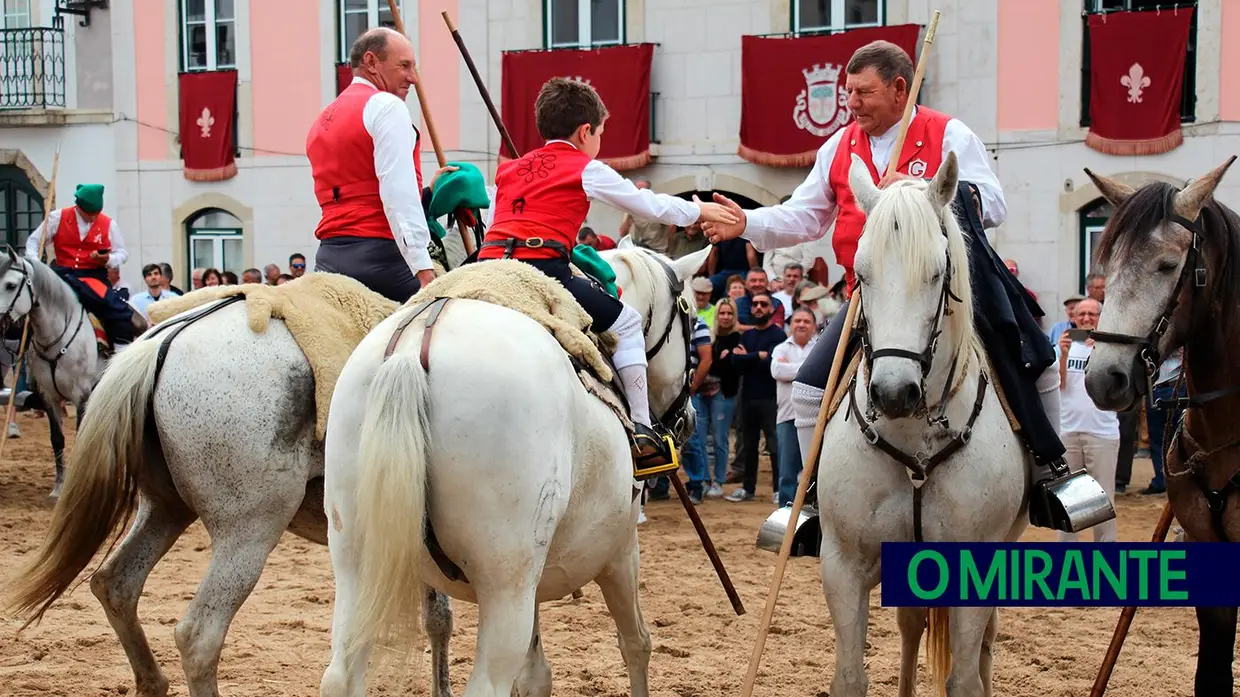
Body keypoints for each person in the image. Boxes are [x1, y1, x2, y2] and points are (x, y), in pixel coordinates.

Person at [701, 40, 1091, 531]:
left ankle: (1050, 474)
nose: (852, 104)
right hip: (875, 293)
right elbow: (805, 216)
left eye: (863, 92)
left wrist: (913, 188)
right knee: (806, 388)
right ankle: (816, 500)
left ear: (899, 88)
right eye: (849, 93)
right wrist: (748, 223)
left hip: (948, 286)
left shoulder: (947, 132)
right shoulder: (838, 147)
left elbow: (993, 202)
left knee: (1036, 358)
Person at [477, 76, 737, 471]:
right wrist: (699, 211)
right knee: (629, 323)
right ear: (585, 132)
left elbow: (497, 221)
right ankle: (642, 429)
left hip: (487, 265)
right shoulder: (585, 168)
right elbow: (647, 205)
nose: (599, 140)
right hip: (540, 268)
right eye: (600, 132)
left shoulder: (509, 169)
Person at [306, 27, 452, 303]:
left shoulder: (322, 119)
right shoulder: (386, 105)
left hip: (329, 258)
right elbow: (396, 193)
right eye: (404, 66)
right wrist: (423, 268)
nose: (413, 78)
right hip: (381, 258)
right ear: (372, 62)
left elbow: (358, 191)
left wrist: (429, 191)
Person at [25, 183, 135, 349]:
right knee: (30, 304)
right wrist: (36, 266)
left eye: (96, 214)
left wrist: (107, 260)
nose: (92, 218)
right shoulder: (57, 217)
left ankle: (121, 354)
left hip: (93, 277)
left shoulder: (108, 224)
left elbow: (122, 254)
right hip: (61, 274)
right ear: (78, 207)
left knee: (118, 310)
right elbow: (34, 242)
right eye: (89, 214)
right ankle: (23, 350)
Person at [1055, 298, 1118, 542]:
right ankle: (1067, 551)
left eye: (1092, 313)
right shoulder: (1063, 344)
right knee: (1069, 498)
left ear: (1101, 317)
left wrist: (1098, 348)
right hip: (1069, 431)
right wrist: (1061, 354)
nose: (1086, 318)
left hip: (1102, 432)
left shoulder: (1111, 347)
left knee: (1104, 496)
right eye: (1082, 314)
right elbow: (1058, 384)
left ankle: (1106, 549)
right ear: (1074, 317)